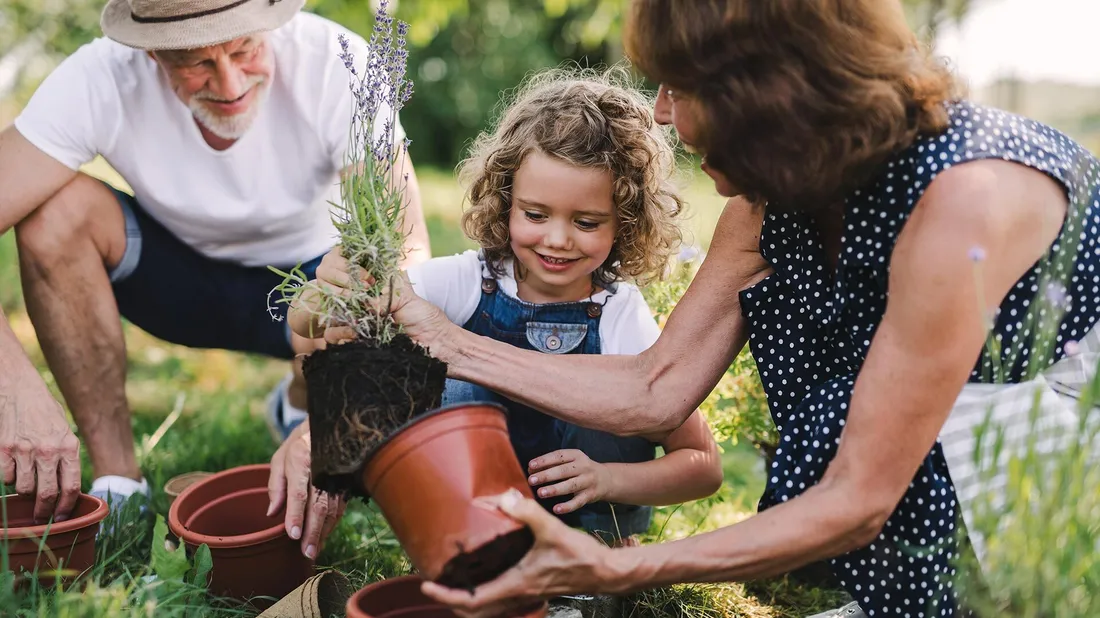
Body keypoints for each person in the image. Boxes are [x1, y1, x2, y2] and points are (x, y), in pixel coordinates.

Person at [331, 1, 1099, 617]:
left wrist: (614, 566)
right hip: (955, 416)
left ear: (770, 96)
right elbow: (655, 389)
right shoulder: (774, 200)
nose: (661, 115)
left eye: (680, 88)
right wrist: (439, 343)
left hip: (1065, 432)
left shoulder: (962, 203)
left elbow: (859, 498)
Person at [0, 0, 429, 561]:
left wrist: (332, 418)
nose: (228, 83)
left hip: (307, 287)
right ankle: (120, 484)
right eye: (193, 62)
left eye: (246, 48)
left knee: (359, 288)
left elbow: (408, 255)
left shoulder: (339, 64)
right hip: (175, 281)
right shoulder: (98, 75)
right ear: (150, 51)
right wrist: (14, 388)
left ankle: (300, 402)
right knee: (52, 216)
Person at [291, 70, 724, 546]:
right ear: (505, 203)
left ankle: (603, 555)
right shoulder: (466, 282)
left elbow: (702, 466)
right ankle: (464, 543)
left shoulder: (619, 312)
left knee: (619, 398)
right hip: (477, 518)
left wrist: (609, 479)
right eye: (535, 215)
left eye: (586, 221)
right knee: (449, 384)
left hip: (583, 523)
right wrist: (328, 288)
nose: (557, 239)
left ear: (625, 221)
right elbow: (311, 321)